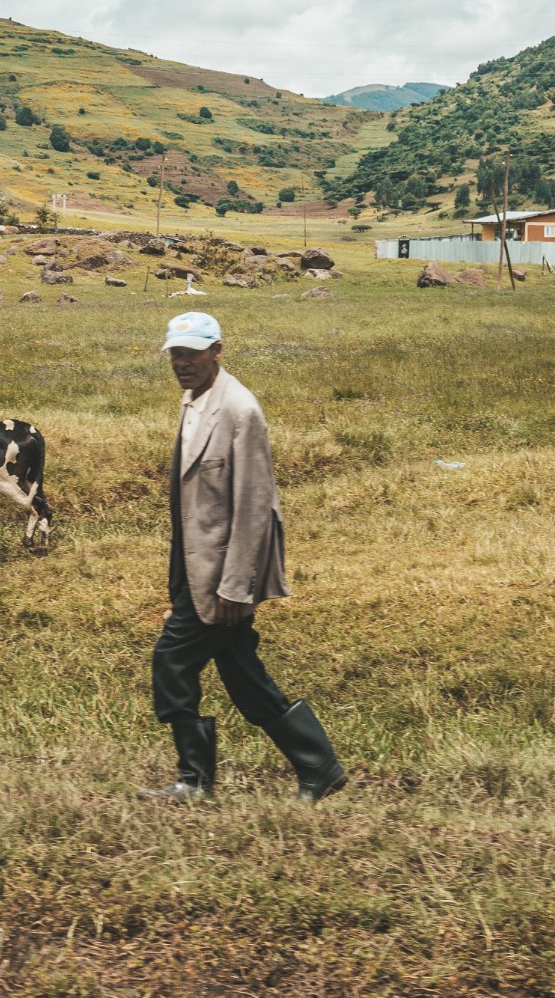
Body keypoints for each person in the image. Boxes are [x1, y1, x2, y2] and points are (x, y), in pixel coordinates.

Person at [142, 310, 346, 804]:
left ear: (217, 350)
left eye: (192, 352)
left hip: (220, 572)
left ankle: (194, 780)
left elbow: (256, 505)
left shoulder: (240, 409)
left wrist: (235, 585)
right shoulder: (196, 398)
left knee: (171, 663)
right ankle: (318, 766)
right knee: (240, 670)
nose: (182, 363)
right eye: (176, 353)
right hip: (190, 563)